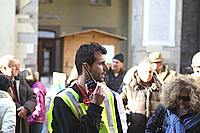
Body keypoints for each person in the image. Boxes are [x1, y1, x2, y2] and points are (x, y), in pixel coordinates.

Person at [48, 42, 127, 133]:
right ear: (86, 67)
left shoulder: (111, 96)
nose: (106, 68)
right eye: (101, 63)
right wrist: (94, 108)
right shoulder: (63, 100)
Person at [120, 60, 161, 133]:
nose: (148, 74)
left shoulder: (160, 87)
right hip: (135, 128)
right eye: (145, 72)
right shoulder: (129, 87)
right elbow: (119, 104)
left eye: (150, 72)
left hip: (154, 128)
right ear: (139, 72)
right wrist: (128, 116)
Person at [2, 55, 36, 133]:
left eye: (19, 65)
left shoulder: (21, 81)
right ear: (6, 68)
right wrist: (20, 108)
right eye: (14, 66)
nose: (18, 69)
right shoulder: (2, 82)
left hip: (22, 124)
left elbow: (33, 96)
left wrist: (26, 108)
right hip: (7, 123)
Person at [26, 68, 47, 133]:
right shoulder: (37, 87)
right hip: (38, 119)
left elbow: (39, 106)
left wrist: (31, 117)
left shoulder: (36, 89)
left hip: (35, 120)